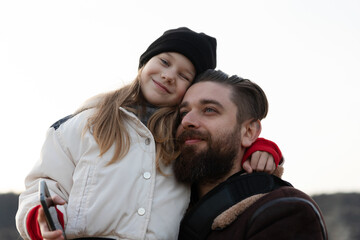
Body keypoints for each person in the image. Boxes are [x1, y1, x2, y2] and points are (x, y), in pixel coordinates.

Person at [15, 27, 281, 240]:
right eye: (164, 62)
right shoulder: (87, 124)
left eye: (184, 75)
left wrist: (260, 148)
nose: (168, 76)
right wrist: (41, 217)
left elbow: (216, 154)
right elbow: (43, 184)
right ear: (144, 63)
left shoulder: (182, 138)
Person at [174, 69, 328, 240]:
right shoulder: (168, 205)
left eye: (209, 110)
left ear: (248, 132)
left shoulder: (283, 210)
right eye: (183, 112)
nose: (187, 121)